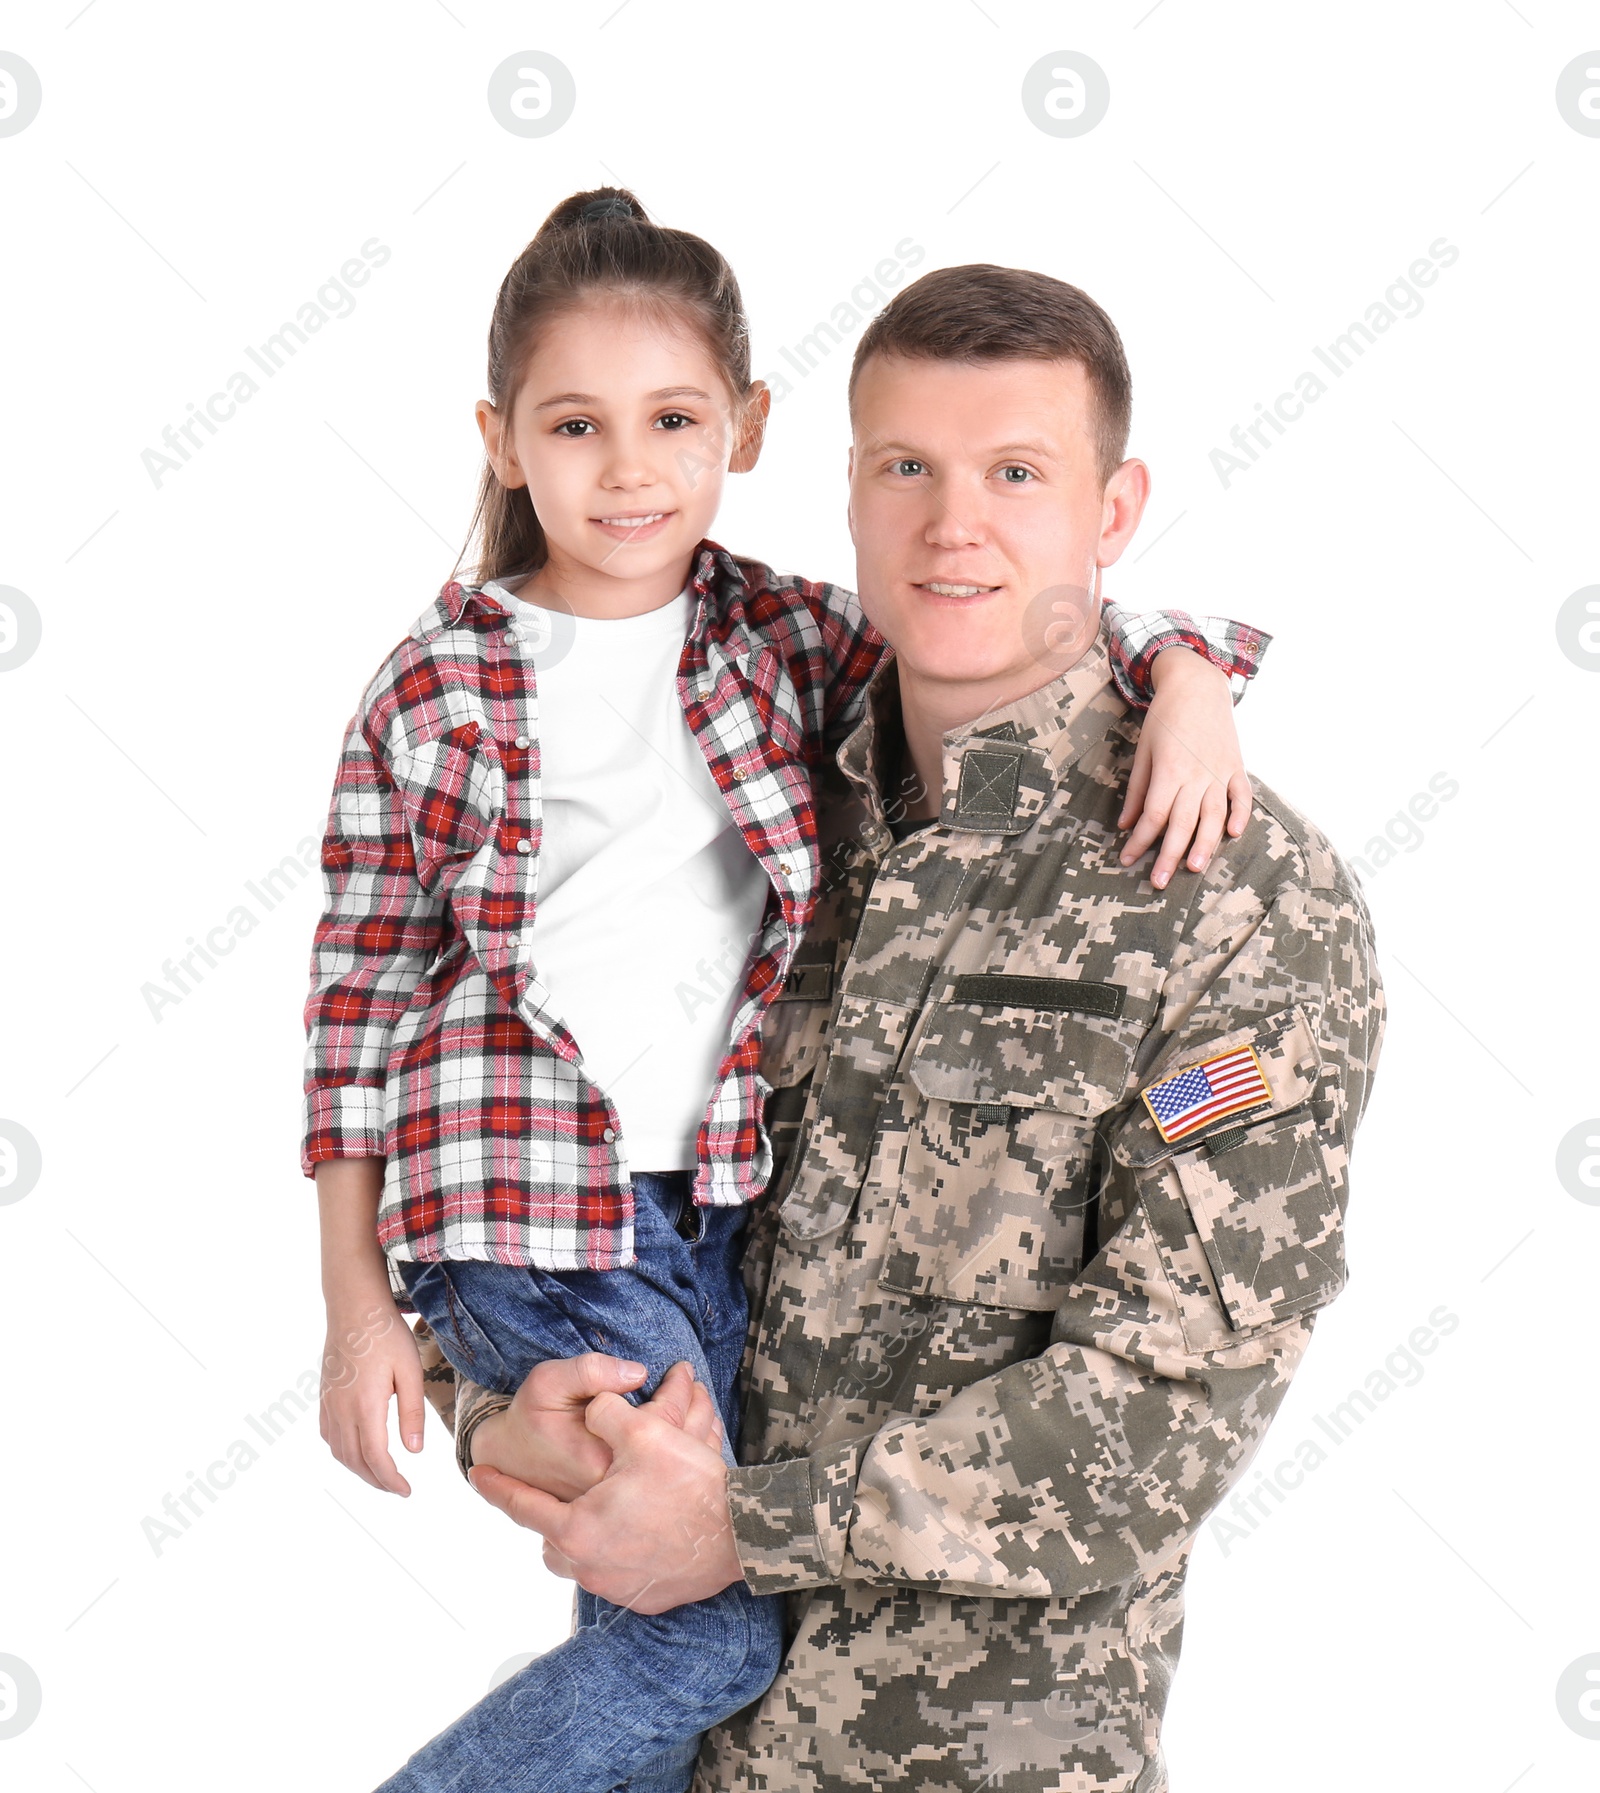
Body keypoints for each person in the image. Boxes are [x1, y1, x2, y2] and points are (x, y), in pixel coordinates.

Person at [307, 186, 1268, 1793]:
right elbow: (353, 1009)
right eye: (575, 423)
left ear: (742, 430)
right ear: (500, 438)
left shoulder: (769, 645)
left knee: (668, 1631)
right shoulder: (449, 685)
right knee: (700, 1642)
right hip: (543, 1217)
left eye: (673, 418)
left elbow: (989, 639)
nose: (627, 468)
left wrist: (1189, 672)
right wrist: (374, 1325)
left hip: (716, 1233)